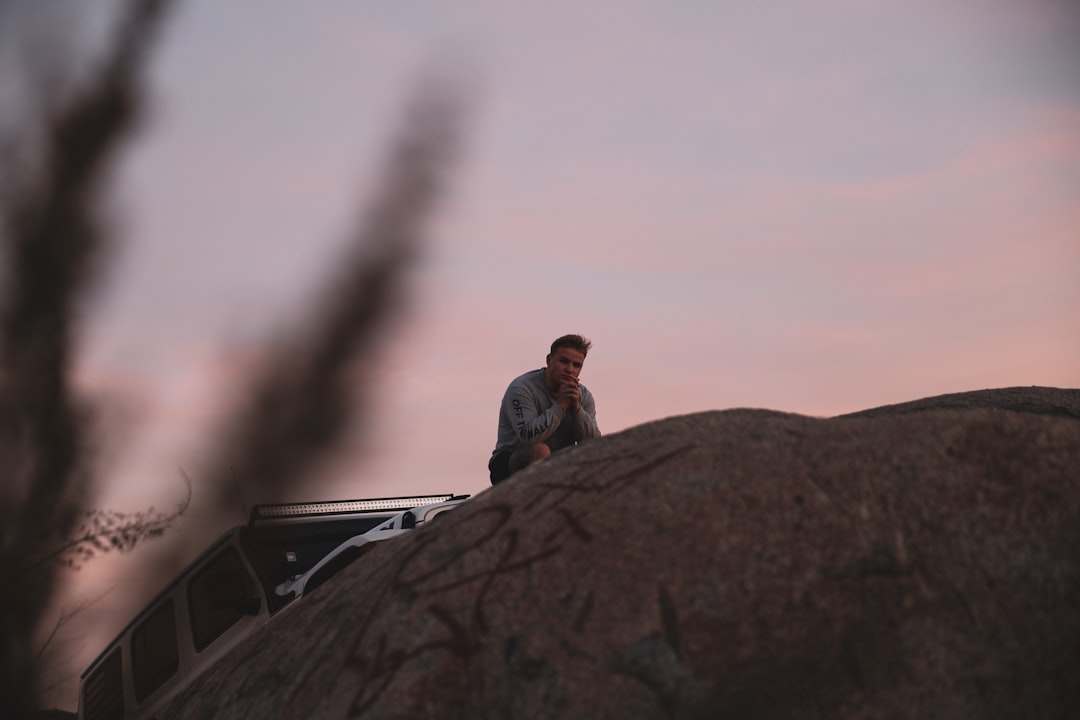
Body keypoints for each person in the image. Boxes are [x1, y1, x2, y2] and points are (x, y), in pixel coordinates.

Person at [488, 334, 601, 485]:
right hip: (510, 463)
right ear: (549, 360)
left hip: (559, 464)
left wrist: (576, 409)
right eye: (564, 361)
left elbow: (594, 446)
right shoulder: (522, 388)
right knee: (541, 451)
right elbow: (529, 437)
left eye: (576, 365)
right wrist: (560, 407)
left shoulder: (583, 396)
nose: (570, 370)